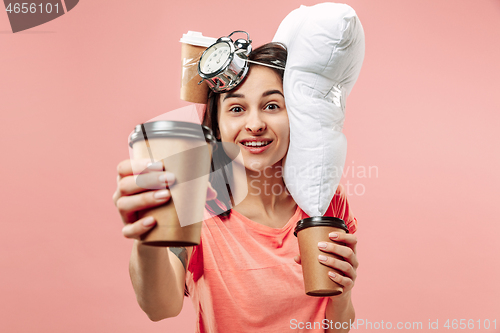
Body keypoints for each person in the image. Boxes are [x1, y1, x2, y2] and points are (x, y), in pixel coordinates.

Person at [112, 42, 359, 333]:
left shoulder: (326, 198)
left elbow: (337, 326)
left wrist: (342, 294)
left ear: (296, 116)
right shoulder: (197, 201)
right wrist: (148, 238)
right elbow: (160, 307)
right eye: (237, 108)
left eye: (271, 106)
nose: (255, 124)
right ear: (216, 124)